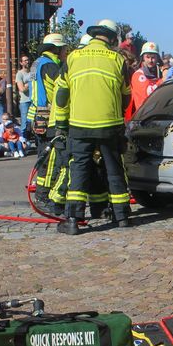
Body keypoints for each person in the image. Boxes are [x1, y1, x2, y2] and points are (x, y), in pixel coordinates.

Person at [55, 18, 133, 235]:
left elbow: (62, 95)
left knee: (79, 168)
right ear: (112, 38)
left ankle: (73, 220)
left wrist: (62, 123)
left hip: (79, 125)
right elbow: (126, 95)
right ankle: (122, 216)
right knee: (114, 168)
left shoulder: (73, 58)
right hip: (109, 125)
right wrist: (118, 114)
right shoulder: (117, 60)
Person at [125, 41, 163, 120]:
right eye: (148, 57)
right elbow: (148, 93)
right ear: (143, 58)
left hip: (153, 116)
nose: (150, 60)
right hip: (141, 118)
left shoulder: (157, 72)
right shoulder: (138, 75)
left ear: (157, 58)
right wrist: (163, 81)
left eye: (153, 57)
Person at [16, 54, 33, 137]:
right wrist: (29, 84)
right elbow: (21, 89)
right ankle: (23, 139)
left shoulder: (32, 73)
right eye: (25, 60)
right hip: (24, 101)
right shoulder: (20, 74)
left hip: (33, 100)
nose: (27, 62)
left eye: (28, 60)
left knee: (33, 121)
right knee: (24, 122)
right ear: (21, 63)